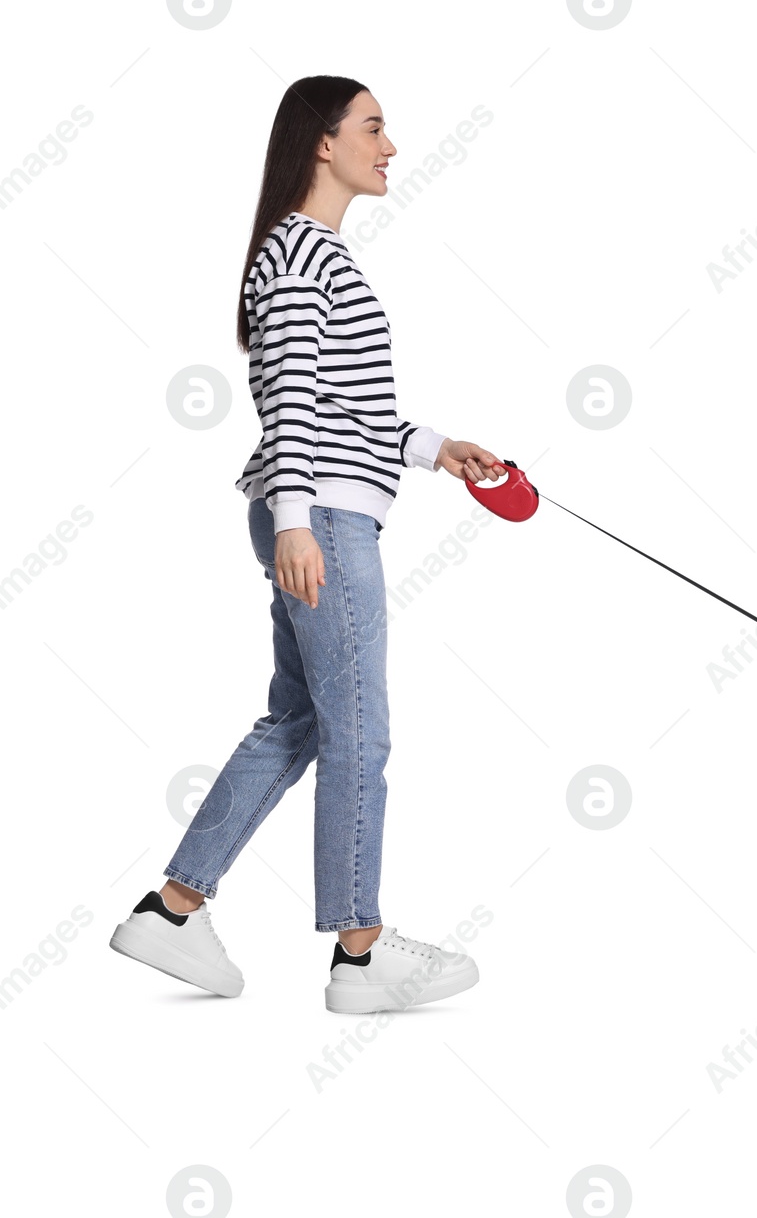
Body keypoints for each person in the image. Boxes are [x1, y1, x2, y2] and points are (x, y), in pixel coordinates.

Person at [109, 76, 505, 1014]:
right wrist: (295, 521)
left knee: (300, 723)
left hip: (320, 507)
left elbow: (346, 405)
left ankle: (172, 911)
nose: (391, 146)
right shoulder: (300, 260)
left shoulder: (312, 256)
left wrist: (438, 450)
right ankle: (362, 956)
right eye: (373, 127)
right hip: (319, 516)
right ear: (322, 144)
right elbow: (289, 403)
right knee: (360, 729)